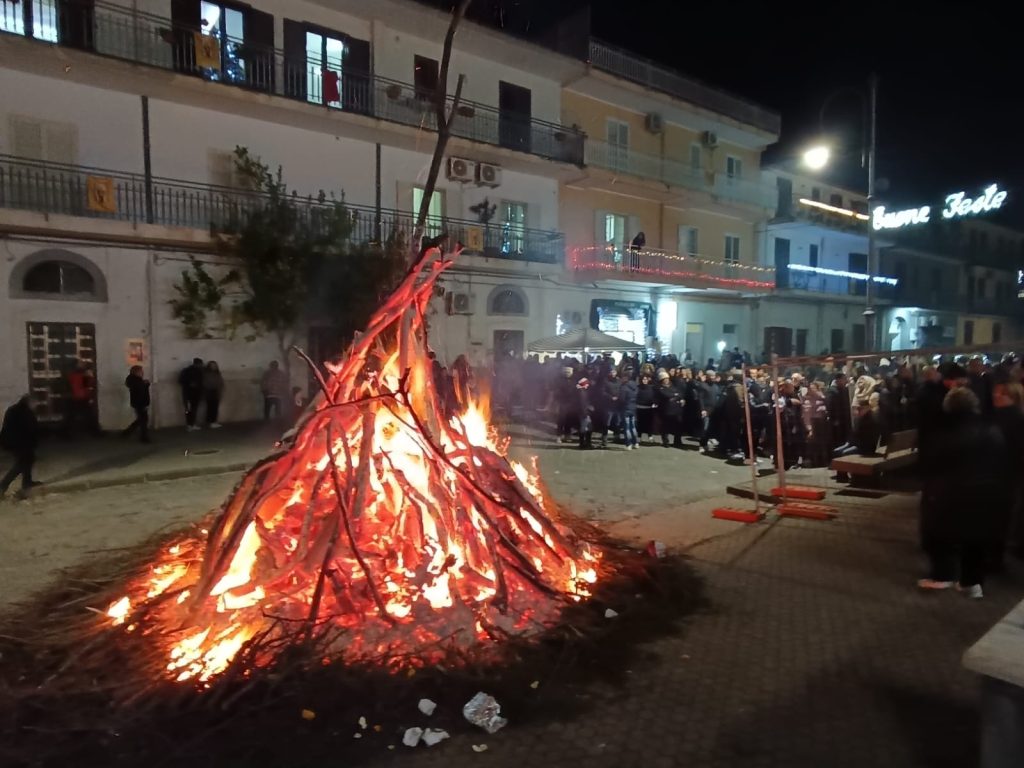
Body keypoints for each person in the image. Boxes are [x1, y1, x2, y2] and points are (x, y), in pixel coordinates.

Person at [918, 387, 1009, 599]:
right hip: (984, 491)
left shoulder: (943, 432)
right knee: (975, 537)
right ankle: (971, 583)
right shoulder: (990, 429)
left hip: (949, 492)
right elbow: (1001, 460)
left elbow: (931, 463)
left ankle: (942, 576)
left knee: (938, 535)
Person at [0, 394, 41, 500]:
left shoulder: (16, 409)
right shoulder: (24, 412)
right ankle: (2, 485)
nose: (36, 406)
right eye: (35, 403)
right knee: (21, 464)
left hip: (18, 442)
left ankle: (27, 482)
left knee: (29, 460)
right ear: (29, 402)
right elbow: (29, 427)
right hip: (19, 442)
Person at [65, 362, 98, 436]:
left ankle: (65, 433)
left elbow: (70, 386)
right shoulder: (84, 376)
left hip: (74, 397)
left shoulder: (71, 375)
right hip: (82, 398)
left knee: (71, 416)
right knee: (89, 415)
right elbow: (88, 385)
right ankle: (95, 431)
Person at [122, 365, 152, 443]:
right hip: (140, 402)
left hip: (137, 402)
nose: (142, 372)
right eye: (141, 371)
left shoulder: (134, 380)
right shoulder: (136, 381)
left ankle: (127, 432)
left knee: (141, 419)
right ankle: (144, 438)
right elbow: (141, 392)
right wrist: (146, 385)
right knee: (143, 420)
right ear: (136, 372)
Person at [655, 370, 683, 448]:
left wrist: (675, 396)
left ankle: (677, 441)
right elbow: (666, 395)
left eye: (667, 378)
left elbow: (679, 394)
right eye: (664, 379)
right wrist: (674, 395)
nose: (666, 380)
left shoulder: (673, 386)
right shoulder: (660, 388)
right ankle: (665, 441)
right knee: (665, 426)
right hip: (665, 410)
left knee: (677, 426)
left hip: (676, 410)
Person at [178, 357, 205, 431]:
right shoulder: (195, 372)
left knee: (190, 410)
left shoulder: (187, 371)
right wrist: (190, 384)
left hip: (190, 393)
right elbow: (181, 381)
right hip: (190, 393)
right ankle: (190, 424)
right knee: (191, 410)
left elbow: (181, 381)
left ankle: (191, 424)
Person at [619, 371, 639, 450]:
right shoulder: (634, 385)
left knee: (627, 427)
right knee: (633, 427)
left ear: (625, 378)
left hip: (626, 408)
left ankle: (629, 444)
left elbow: (622, 399)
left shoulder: (624, 387)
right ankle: (636, 442)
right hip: (633, 407)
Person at [636, 373, 657, 443]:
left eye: (645, 379)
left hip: (649, 408)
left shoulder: (651, 388)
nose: (644, 381)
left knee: (649, 424)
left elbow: (654, 397)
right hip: (640, 408)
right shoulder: (638, 387)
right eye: (643, 379)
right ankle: (639, 436)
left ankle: (650, 436)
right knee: (640, 424)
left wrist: (654, 403)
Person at [203, 360, 225, 428]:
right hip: (210, 392)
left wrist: (220, 388)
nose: (213, 367)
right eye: (212, 365)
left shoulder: (217, 373)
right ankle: (211, 422)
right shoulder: (206, 374)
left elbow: (221, 382)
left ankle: (213, 421)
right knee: (210, 407)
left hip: (216, 392)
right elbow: (205, 383)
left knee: (215, 407)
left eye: (214, 365)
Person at [576, 377, 594, 449]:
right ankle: (584, 444)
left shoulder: (581, 391)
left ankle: (584, 443)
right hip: (584, 413)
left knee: (586, 428)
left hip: (583, 412)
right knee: (586, 428)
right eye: (587, 384)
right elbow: (582, 404)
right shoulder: (582, 393)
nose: (588, 385)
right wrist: (586, 412)